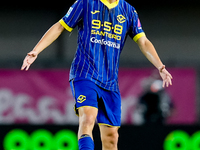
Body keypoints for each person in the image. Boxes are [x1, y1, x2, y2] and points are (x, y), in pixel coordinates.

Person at [21, 0, 173, 149]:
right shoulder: (85, 3)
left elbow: (144, 42)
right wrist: (36, 50)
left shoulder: (129, 10)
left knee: (111, 138)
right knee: (88, 118)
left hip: (110, 81)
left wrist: (160, 66)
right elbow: (60, 26)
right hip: (85, 73)